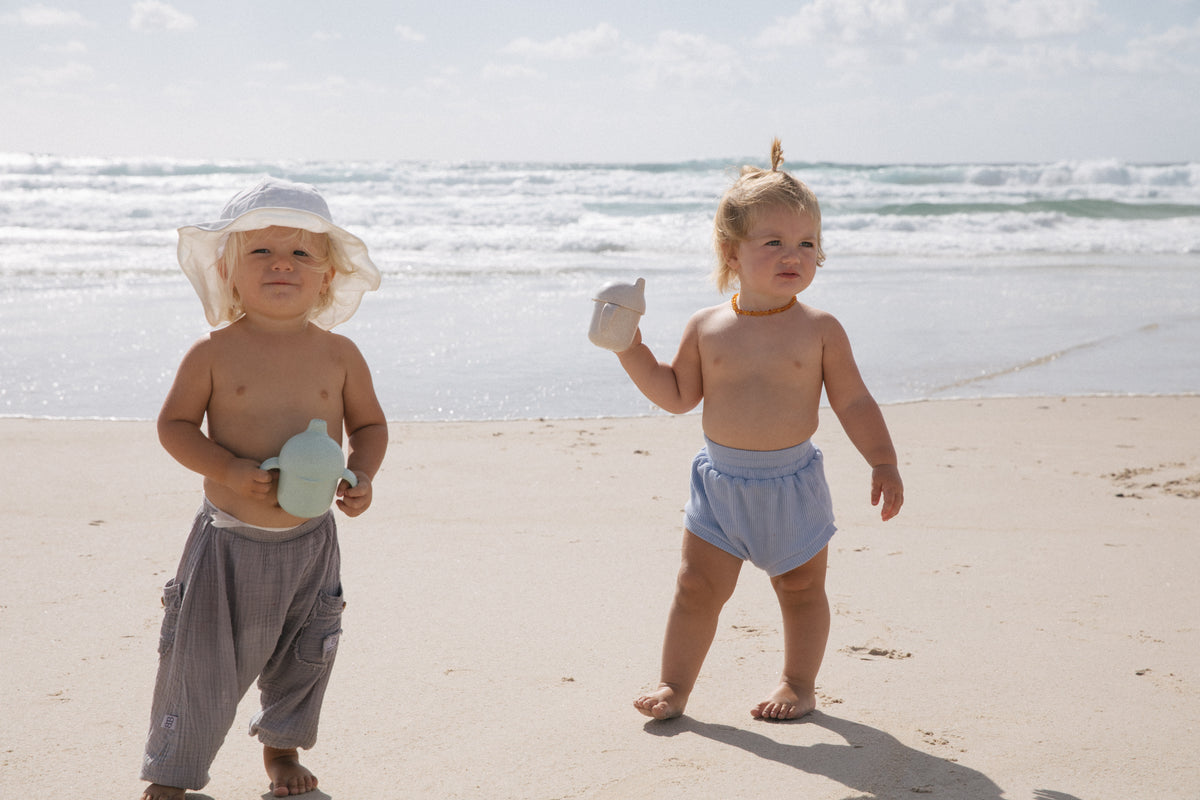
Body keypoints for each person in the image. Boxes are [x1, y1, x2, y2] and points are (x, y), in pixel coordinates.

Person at [611, 140, 903, 722]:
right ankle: (674, 686)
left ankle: (798, 683)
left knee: (800, 590)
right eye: (773, 242)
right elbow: (676, 395)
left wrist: (883, 461)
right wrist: (630, 350)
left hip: (791, 482)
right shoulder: (708, 326)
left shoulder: (820, 329)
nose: (793, 254)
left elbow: (853, 400)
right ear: (732, 250)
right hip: (720, 485)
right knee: (696, 587)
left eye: (807, 243)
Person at [139, 177, 388, 799]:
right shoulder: (214, 353)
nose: (283, 264)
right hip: (229, 542)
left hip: (311, 539)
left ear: (327, 275)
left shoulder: (341, 355)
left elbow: (369, 424)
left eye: (302, 253)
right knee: (198, 663)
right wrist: (224, 468)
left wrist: (364, 476)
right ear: (228, 272)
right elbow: (174, 426)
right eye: (262, 253)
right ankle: (173, 775)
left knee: (306, 651)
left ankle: (282, 750)